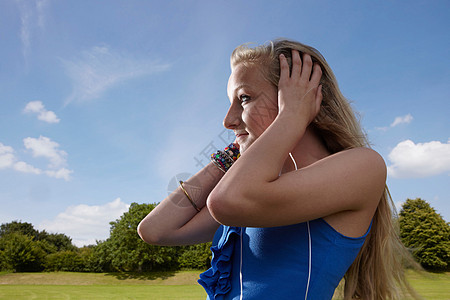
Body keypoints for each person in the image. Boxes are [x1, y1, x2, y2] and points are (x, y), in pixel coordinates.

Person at [138, 39, 419, 299]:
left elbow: (225, 202)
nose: (227, 120)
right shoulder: (253, 195)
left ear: (298, 96)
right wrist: (227, 157)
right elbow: (155, 230)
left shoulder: (363, 167)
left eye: (244, 98)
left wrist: (293, 115)